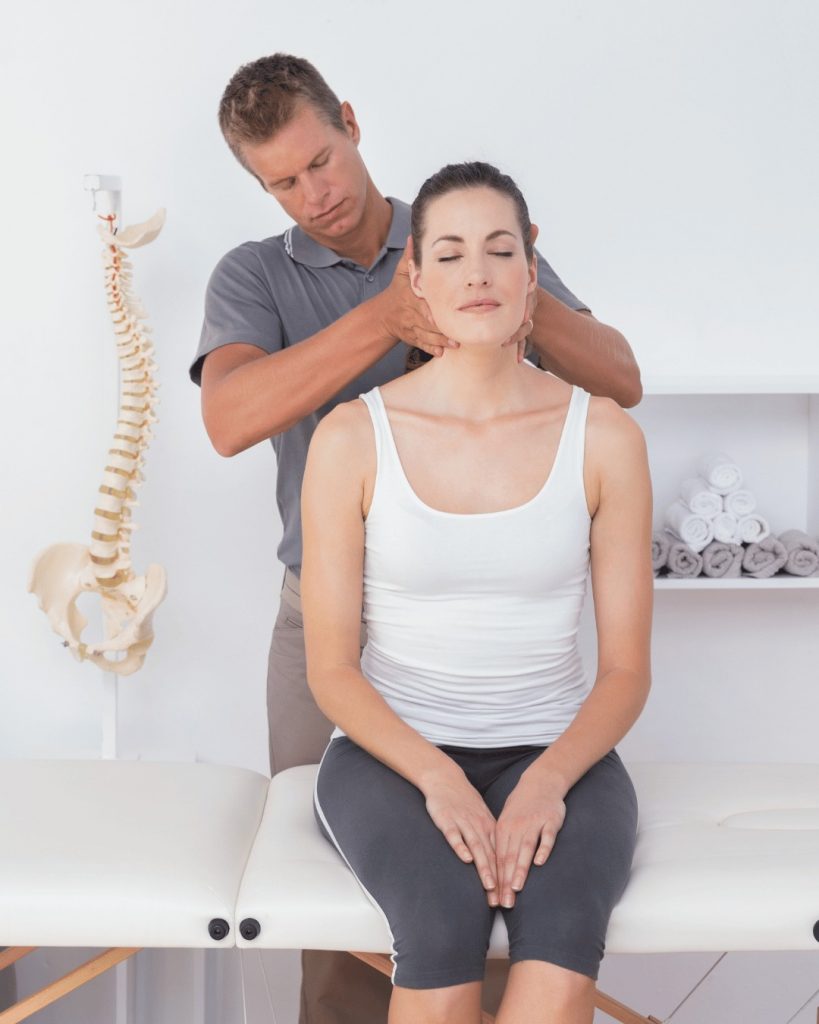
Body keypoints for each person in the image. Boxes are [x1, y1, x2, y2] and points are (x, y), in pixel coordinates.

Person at [190, 53, 644, 1024]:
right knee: (349, 929)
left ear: (350, 122)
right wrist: (388, 315)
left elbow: (617, 375)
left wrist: (480, 276)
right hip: (330, 625)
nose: (312, 194)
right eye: (282, 182)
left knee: (500, 913)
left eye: (320, 161)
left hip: (503, 625)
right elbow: (229, 420)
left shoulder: (462, 231)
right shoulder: (257, 276)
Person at [302, 161, 653, 1024]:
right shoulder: (353, 436)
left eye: (500, 250)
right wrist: (438, 779)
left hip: (559, 755)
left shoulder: (603, 435)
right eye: (451, 254)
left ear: (532, 271)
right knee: (439, 921)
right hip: (391, 759)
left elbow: (625, 672)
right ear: (413, 279)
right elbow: (331, 671)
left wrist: (545, 782)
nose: (478, 274)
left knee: (565, 932)